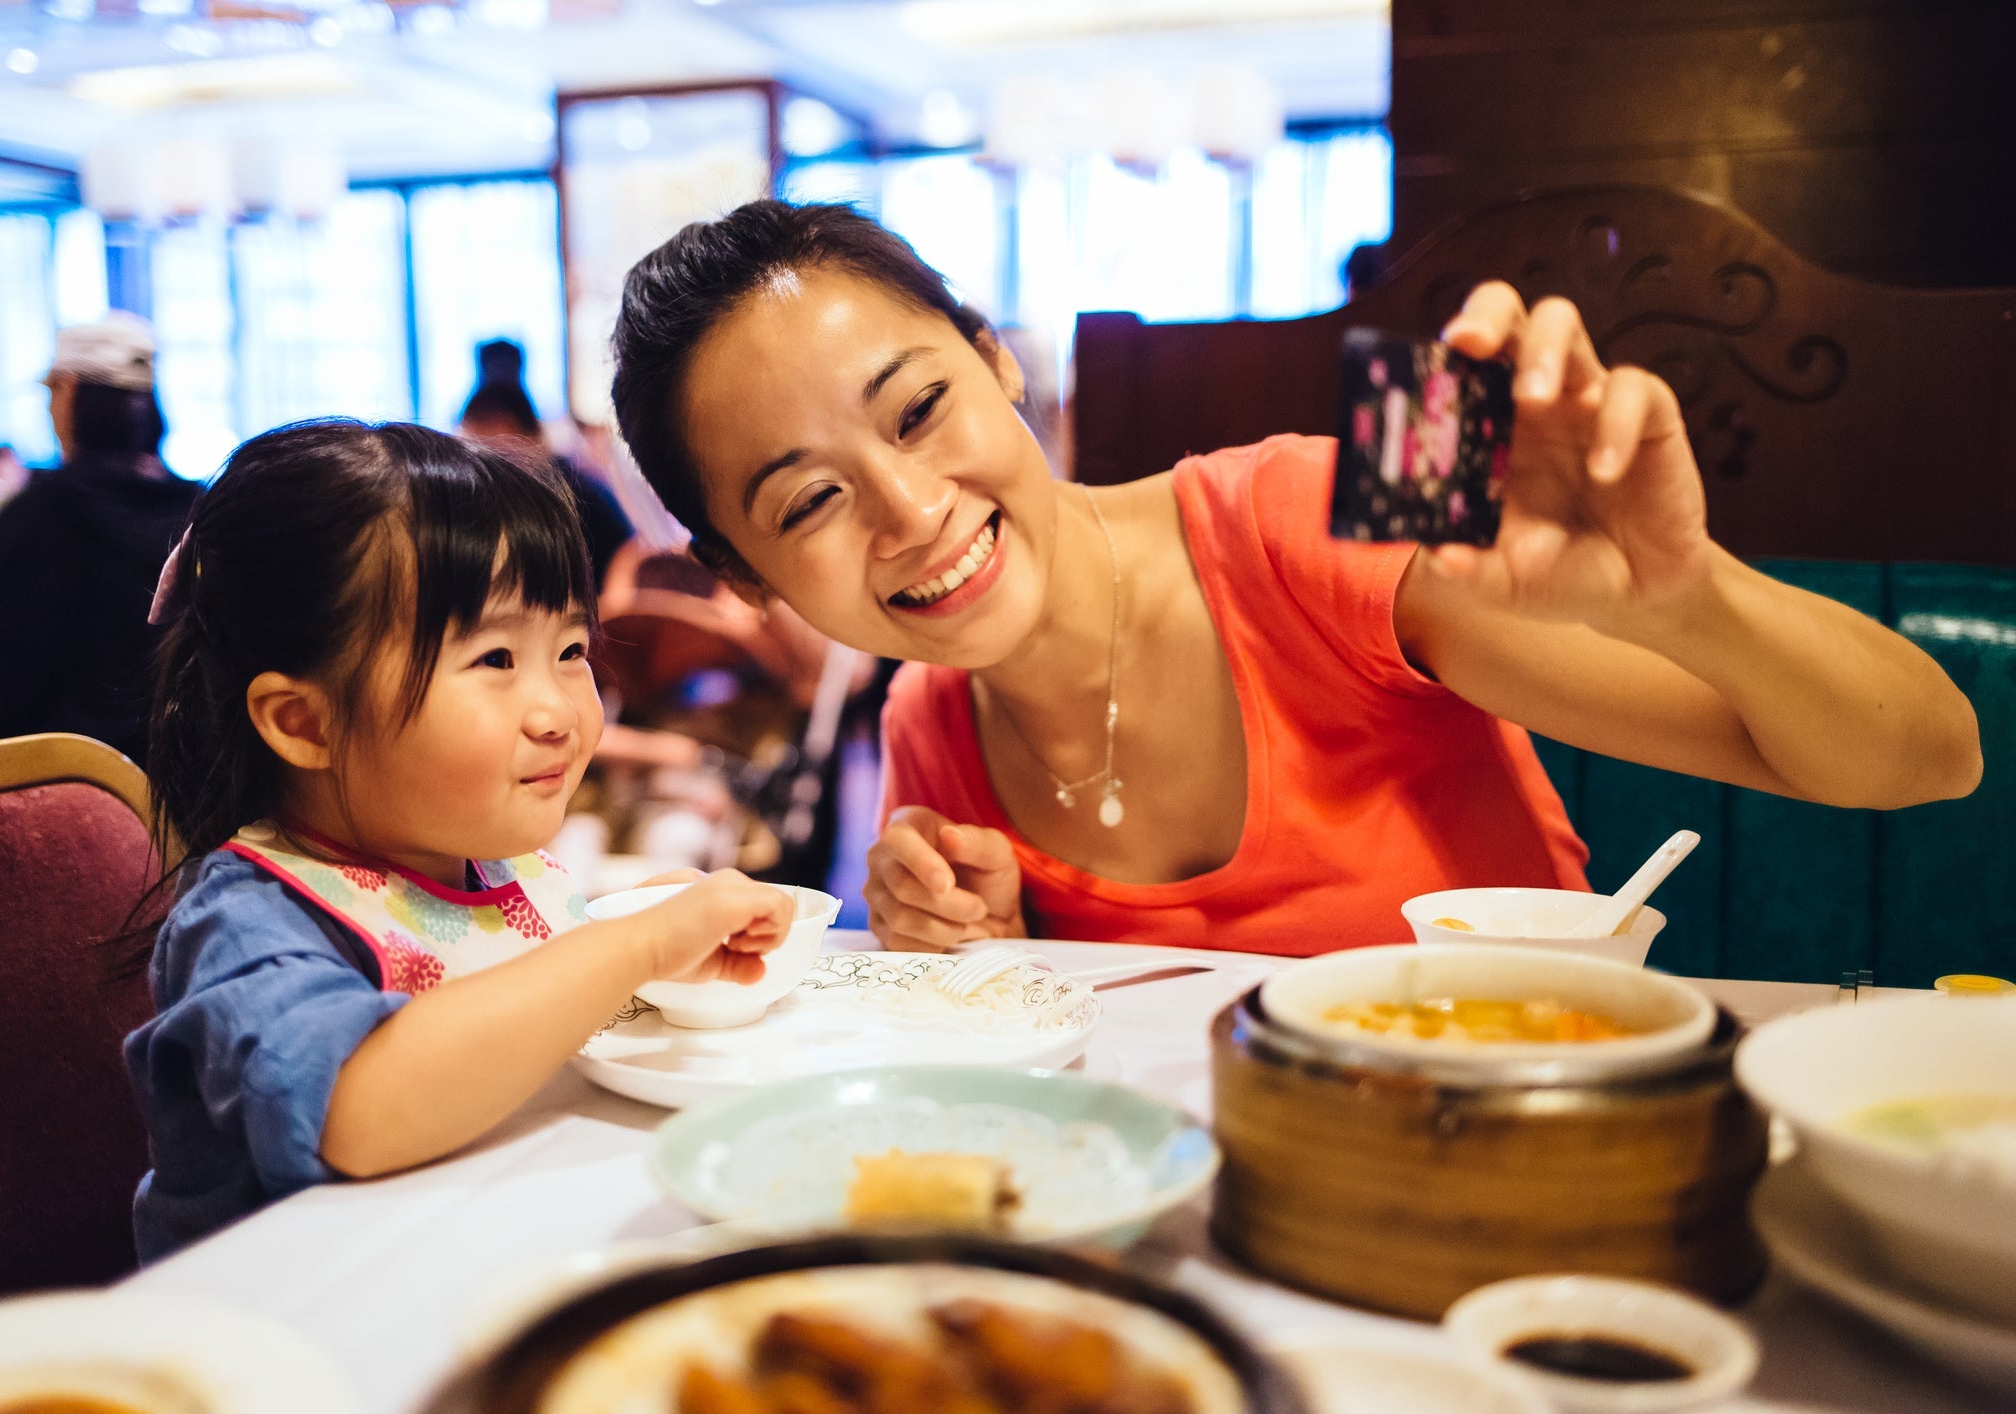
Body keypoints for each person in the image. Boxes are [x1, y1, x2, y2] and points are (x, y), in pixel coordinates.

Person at [606, 201, 1982, 956]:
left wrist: (1682, 593)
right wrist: (980, 943)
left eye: (917, 410)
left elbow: (1931, 755)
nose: (910, 511)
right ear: (746, 574)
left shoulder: (1309, 518)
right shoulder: (928, 727)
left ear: (997, 358)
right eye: (809, 500)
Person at [125, 419, 794, 1262]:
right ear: (305, 722)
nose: (558, 712)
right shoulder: (250, 922)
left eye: (570, 649)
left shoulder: (493, 869)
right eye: (494, 660)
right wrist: (630, 947)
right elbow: (352, 1113)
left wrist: (646, 945)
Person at [0, 313, 199, 763]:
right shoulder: (198, 506)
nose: (49, 408)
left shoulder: (51, 507)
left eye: (54, 390)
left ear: (75, 394)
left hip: (75, 772)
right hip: (187, 761)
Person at [457, 338, 634, 586]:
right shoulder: (463, 496)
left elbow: (626, 549)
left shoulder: (572, 488)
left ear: (532, 439)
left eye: (504, 453)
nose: (495, 464)